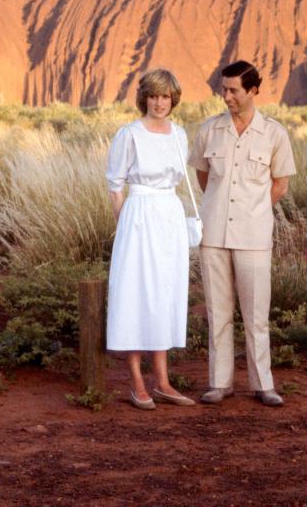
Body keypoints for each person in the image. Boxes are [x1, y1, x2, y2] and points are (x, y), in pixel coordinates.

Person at [188, 60, 296, 407]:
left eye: (234, 90)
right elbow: (203, 178)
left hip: (254, 235)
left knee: (255, 313)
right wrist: (221, 206)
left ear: (253, 91)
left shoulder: (275, 134)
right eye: (224, 90)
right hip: (214, 233)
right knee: (218, 312)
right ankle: (219, 383)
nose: (227, 96)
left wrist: (253, 208)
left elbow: (280, 183)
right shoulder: (209, 131)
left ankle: (263, 385)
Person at [105, 68, 196, 410]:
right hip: (139, 215)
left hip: (169, 214)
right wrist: (125, 223)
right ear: (145, 97)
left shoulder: (179, 134)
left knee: (164, 292)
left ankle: (164, 382)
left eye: (166, 97)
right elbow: (115, 184)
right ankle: (137, 382)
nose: (160, 103)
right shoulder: (129, 134)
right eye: (154, 96)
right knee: (135, 291)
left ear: (174, 99)